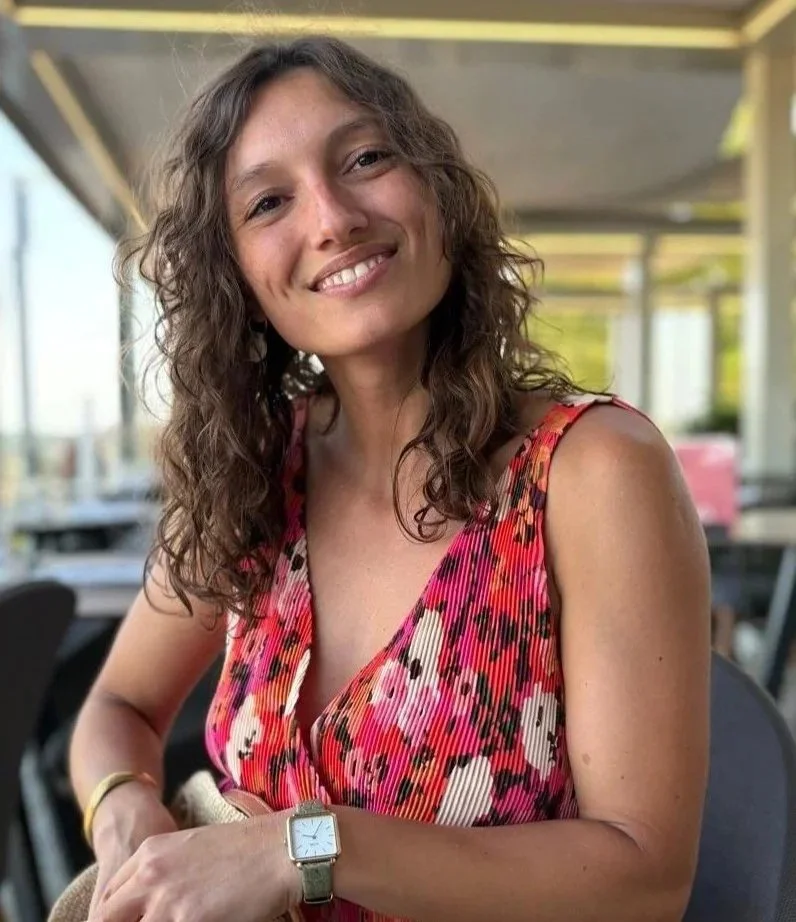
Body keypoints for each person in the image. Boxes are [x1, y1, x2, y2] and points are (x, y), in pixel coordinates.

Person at [69, 36, 711, 922]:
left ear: (437, 192)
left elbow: (645, 880)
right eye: (268, 202)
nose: (332, 218)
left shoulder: (592, 472)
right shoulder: (256, 474)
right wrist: (123, 811)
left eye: (365, 158)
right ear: (238, 281)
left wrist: (301, 848)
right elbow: (120, 703)